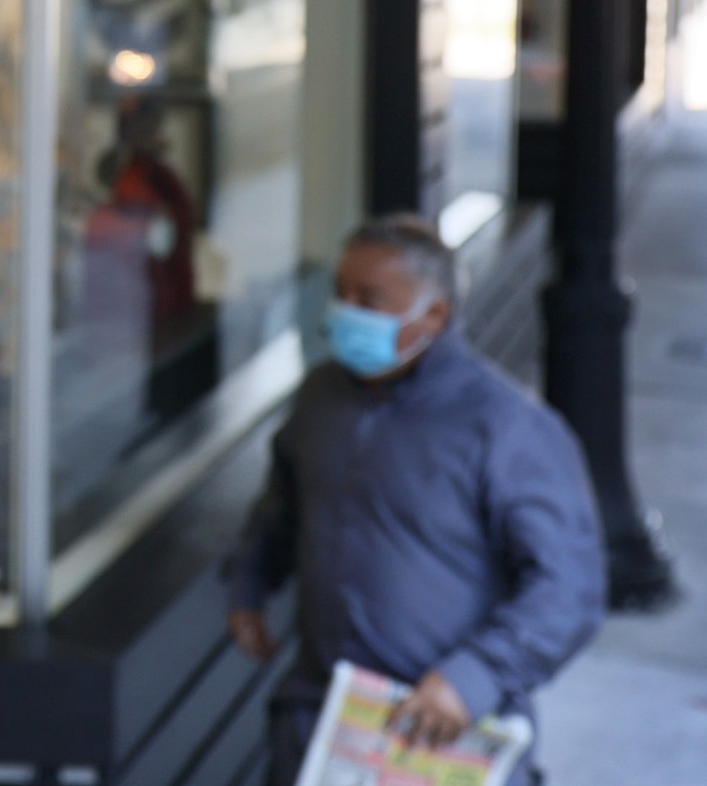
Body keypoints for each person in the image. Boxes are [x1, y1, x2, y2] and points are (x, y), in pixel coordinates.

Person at [225, 214, 605, 785]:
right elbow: (282, 504)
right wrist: (249, 584)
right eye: (340, 294)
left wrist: (472, 678)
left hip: (444, 732)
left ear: (434, 315)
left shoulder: (507, 428)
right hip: (322, 722)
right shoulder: (321, 396)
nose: (345, 312)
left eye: (369, 299)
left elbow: (569, 586)